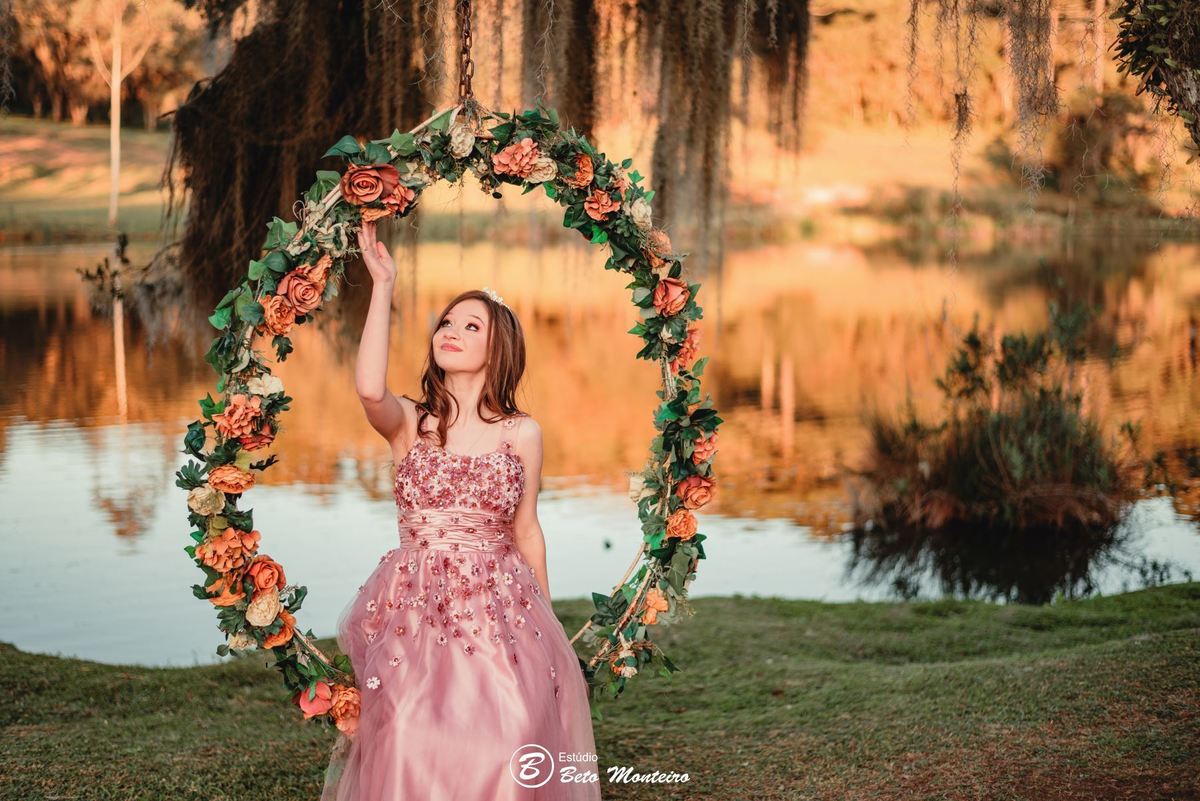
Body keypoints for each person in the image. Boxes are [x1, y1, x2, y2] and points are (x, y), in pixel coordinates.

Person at [320, 220, 603, 800]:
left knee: (510, 739)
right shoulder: (410, 424)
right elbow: (369, 389)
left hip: (500, 605)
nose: (450, 331)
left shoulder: (523, 433)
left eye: (470, 325)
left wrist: (550, 635)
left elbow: (527, 531)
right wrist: (383, 284)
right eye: (446, 322)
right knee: (407, 733)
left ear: (497, 347)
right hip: (416, 601)